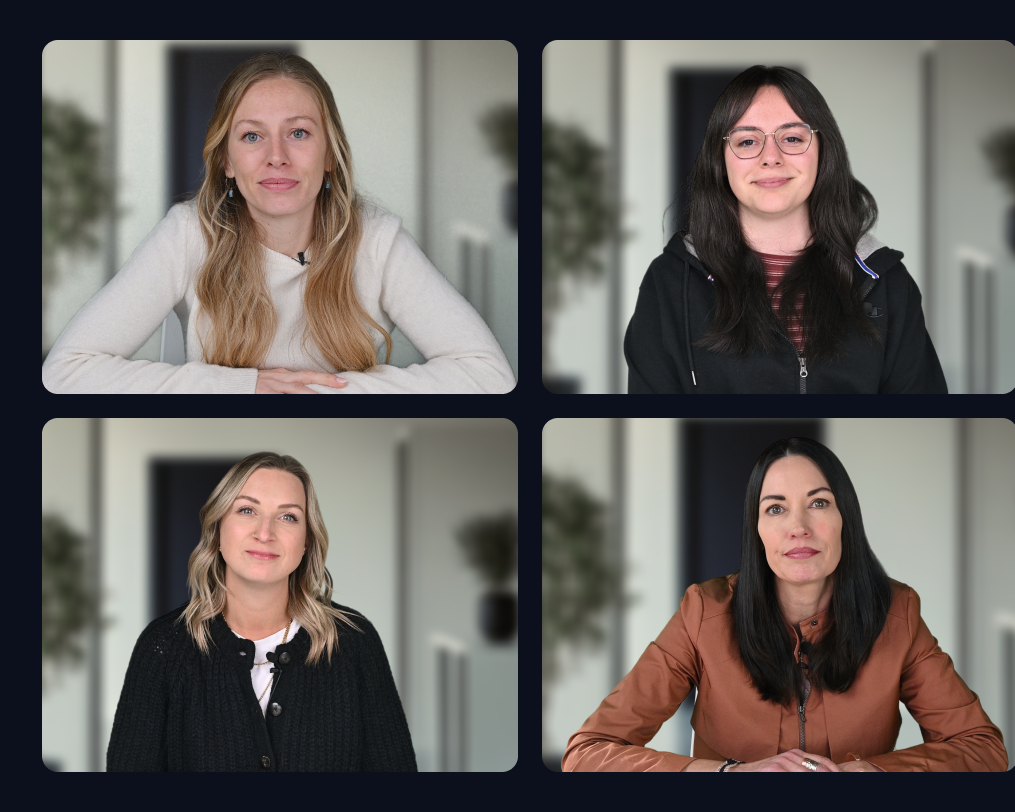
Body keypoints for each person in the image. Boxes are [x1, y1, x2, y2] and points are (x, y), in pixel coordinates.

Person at [43, 52, 514, 394]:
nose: (276, 157)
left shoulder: (376, 238)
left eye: (299, 133)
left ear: (329, 154)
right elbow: (65, 371)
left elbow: (489, 375)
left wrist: (323, 391)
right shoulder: (187, 234)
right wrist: (247, 387)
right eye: (252, 136)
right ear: (226, 160)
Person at [563, 437, 1004, 771]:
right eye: (776, 509)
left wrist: (868, 773)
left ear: (844, 519)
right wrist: (728, 775)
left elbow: (983, 748)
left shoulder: (898, 614)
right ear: (756, 530)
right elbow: (586, 753)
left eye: (818, 503)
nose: (799, 527)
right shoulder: (703, 613)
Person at [624, 66, 946, 393]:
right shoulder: (667, 284)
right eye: (747, 141)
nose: (771, 157)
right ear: (720, 161)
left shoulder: (887, 283)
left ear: (823, 149)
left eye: (792, 138)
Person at [106, 452, 416, 771]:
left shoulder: (353, 642)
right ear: (217, 530)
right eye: (247, 510)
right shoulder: (163, 647)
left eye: (288, 517)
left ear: (307, 540)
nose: (265, 533)